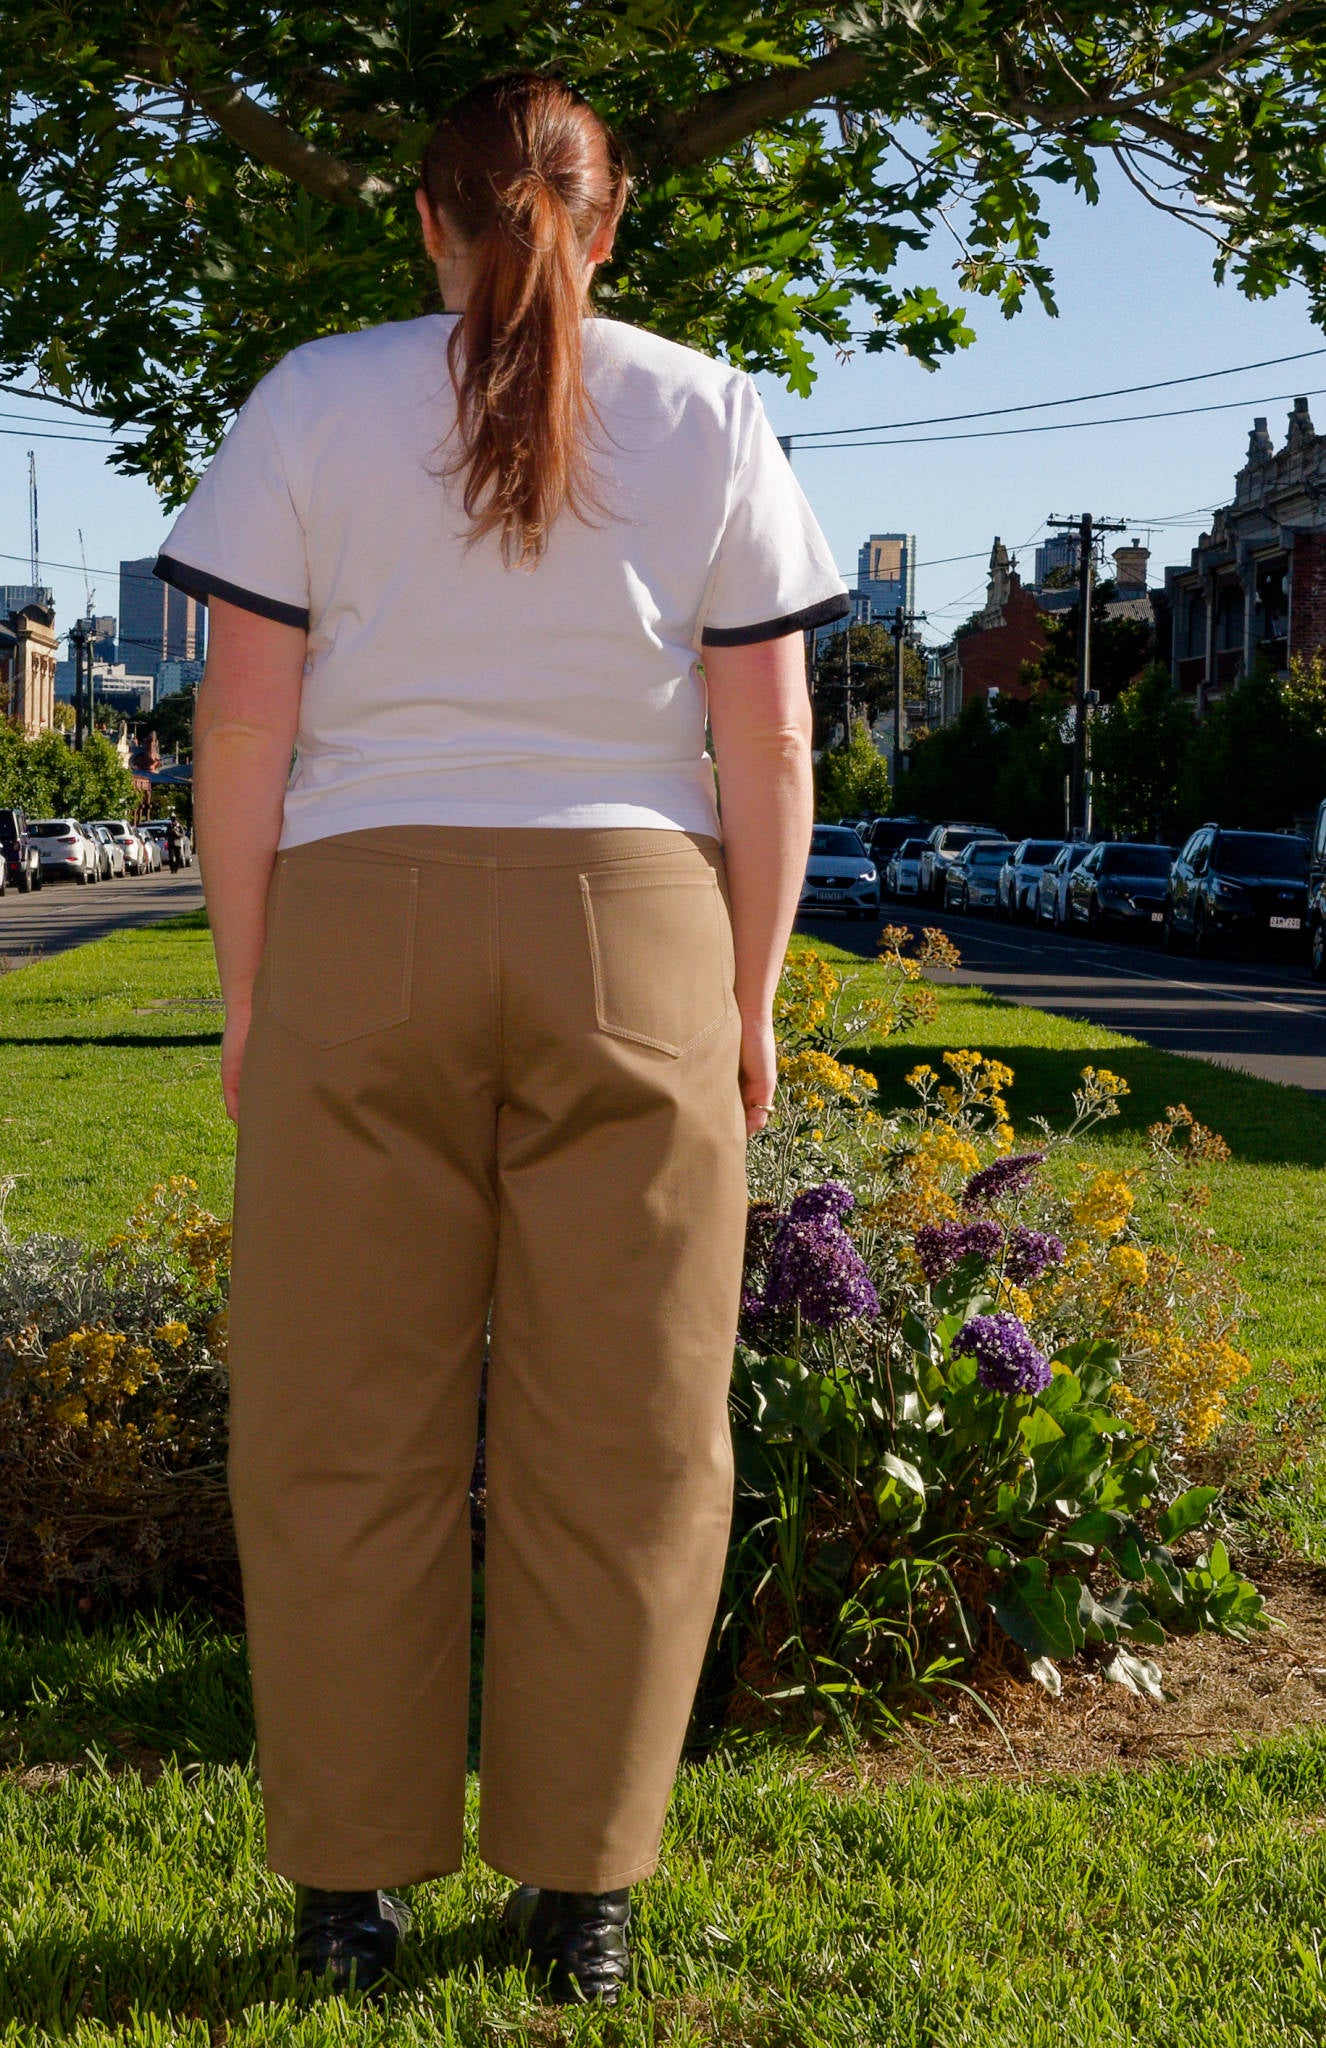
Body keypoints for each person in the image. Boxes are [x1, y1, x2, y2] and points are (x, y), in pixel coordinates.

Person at [156, 71, 846, 2007]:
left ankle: (349, 1893)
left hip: (361, 915)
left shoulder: (312, 394)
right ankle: (585, 1888)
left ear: (427, 221)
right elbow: (768, 740)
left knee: (334, 1428)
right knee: (625, 1437)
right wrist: (750, 992)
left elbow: (245, 727)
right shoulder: (709, 407)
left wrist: (247, 986)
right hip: (634, 921)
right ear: (606, 220)